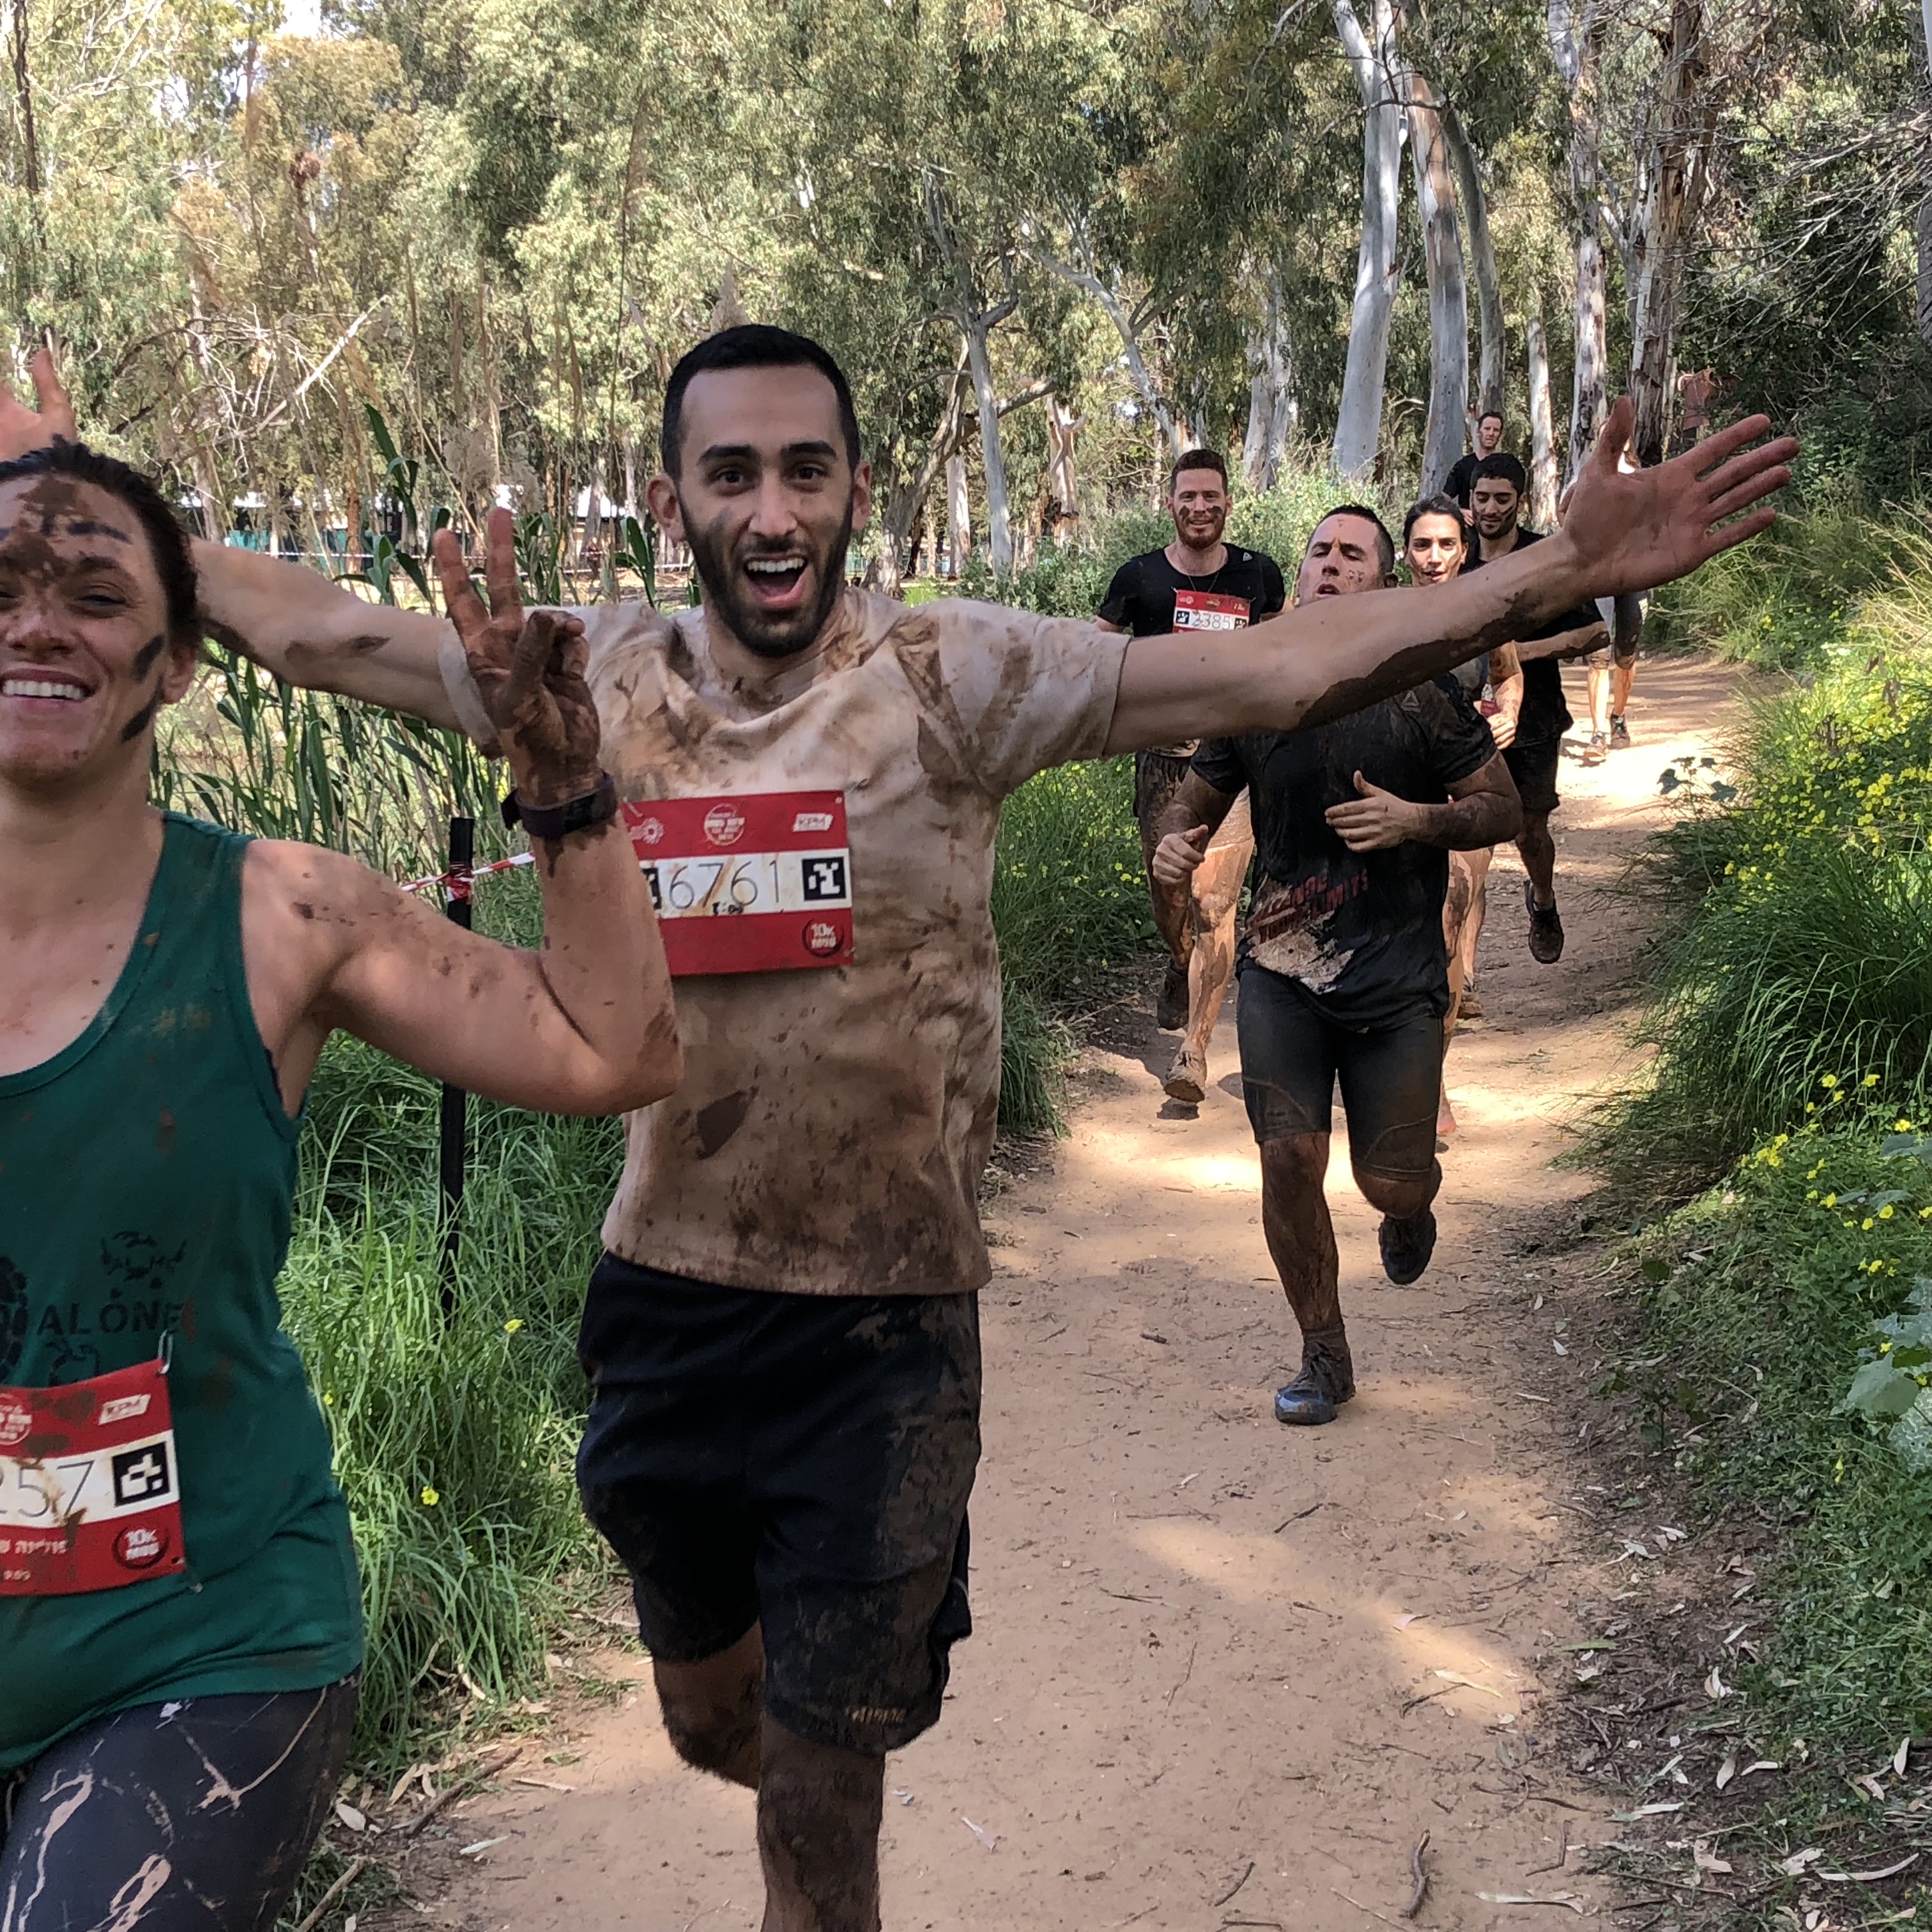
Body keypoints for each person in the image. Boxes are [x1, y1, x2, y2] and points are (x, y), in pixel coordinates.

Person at [78, 328, 1790, 1928]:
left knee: (823, 1800)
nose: (772, 508)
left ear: (853, 492)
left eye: (806, 471)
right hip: (666, 1304)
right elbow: (320, 628)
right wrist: (83, 505)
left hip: (887, 1326)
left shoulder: (954, 672)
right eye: (731, 474)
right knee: (710, 1725)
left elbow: (1278, 665)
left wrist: (1552, 570)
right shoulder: (583, 678)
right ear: (673, 500)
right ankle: (760, 1688)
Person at [0, 427, 679, 1928]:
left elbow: (612, 1048)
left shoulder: (284, 918)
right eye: (0, 583)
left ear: (181, 658)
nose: (37, 622)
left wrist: (562, 781)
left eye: (95, 595)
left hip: (199, 1648)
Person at [1151, 506, 1522, 1427]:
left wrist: (1417, 820)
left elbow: (1501, 807)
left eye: (1353, 554)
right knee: (1287, 1158)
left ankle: (1407, 1209)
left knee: (1387, 1179)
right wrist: (1171, 844)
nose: (1328, 564)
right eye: (1320, 550)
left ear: (1382, 582)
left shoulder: (1423, 689)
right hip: (1281, 971)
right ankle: (1323, 1352)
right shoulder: (1259, 691)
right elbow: (1192, 802)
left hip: (1397, 980)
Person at [1096, 449, 1285, 1100]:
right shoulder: (1139, 577)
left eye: (1211, 496)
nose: (1199, 507)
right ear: (1170, 503)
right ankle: (1177, 963)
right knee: (1169, 895)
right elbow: (1096, 656)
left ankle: (1194, 1051)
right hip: (1162, 769)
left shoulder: (1258, 574)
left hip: (1231, 769)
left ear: (1228, 503)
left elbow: (1279, 655)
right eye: (1188, 496)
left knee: (1215, 904)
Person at [1401, 494, 1519, 1133]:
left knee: (1450, 914)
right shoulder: (1385, 615)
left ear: (1463, 550)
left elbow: (1509, 675)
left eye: (1446, 544)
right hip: (1400, 789)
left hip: (1465, 787)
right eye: (1422, 545)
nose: (1434, 557)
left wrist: (1510, 714)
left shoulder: (1483, 617)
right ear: (1406, 552)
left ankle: (1433, 1078)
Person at [1464, 452, 1609, 964]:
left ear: (1519, 501)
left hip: (1535, 717)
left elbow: (1596, 631)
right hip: (1462, 718)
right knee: (1466, 842)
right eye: (1482, 498)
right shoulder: (1454, 557)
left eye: (1502, 499)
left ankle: (1542, 898)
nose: (1490, 508)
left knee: (1530, 830)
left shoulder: (1544, 558)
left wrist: (1519, 653)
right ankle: (1461, 971)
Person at [1443, 410, 1506, 507]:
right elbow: (1444, 499)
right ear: (1478, 432)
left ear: (1501, 435)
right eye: (1487, 429)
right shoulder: (1463, 466)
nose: (1491, 433)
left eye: (1496, 430)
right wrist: (1460, 513)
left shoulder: (1506, 468)